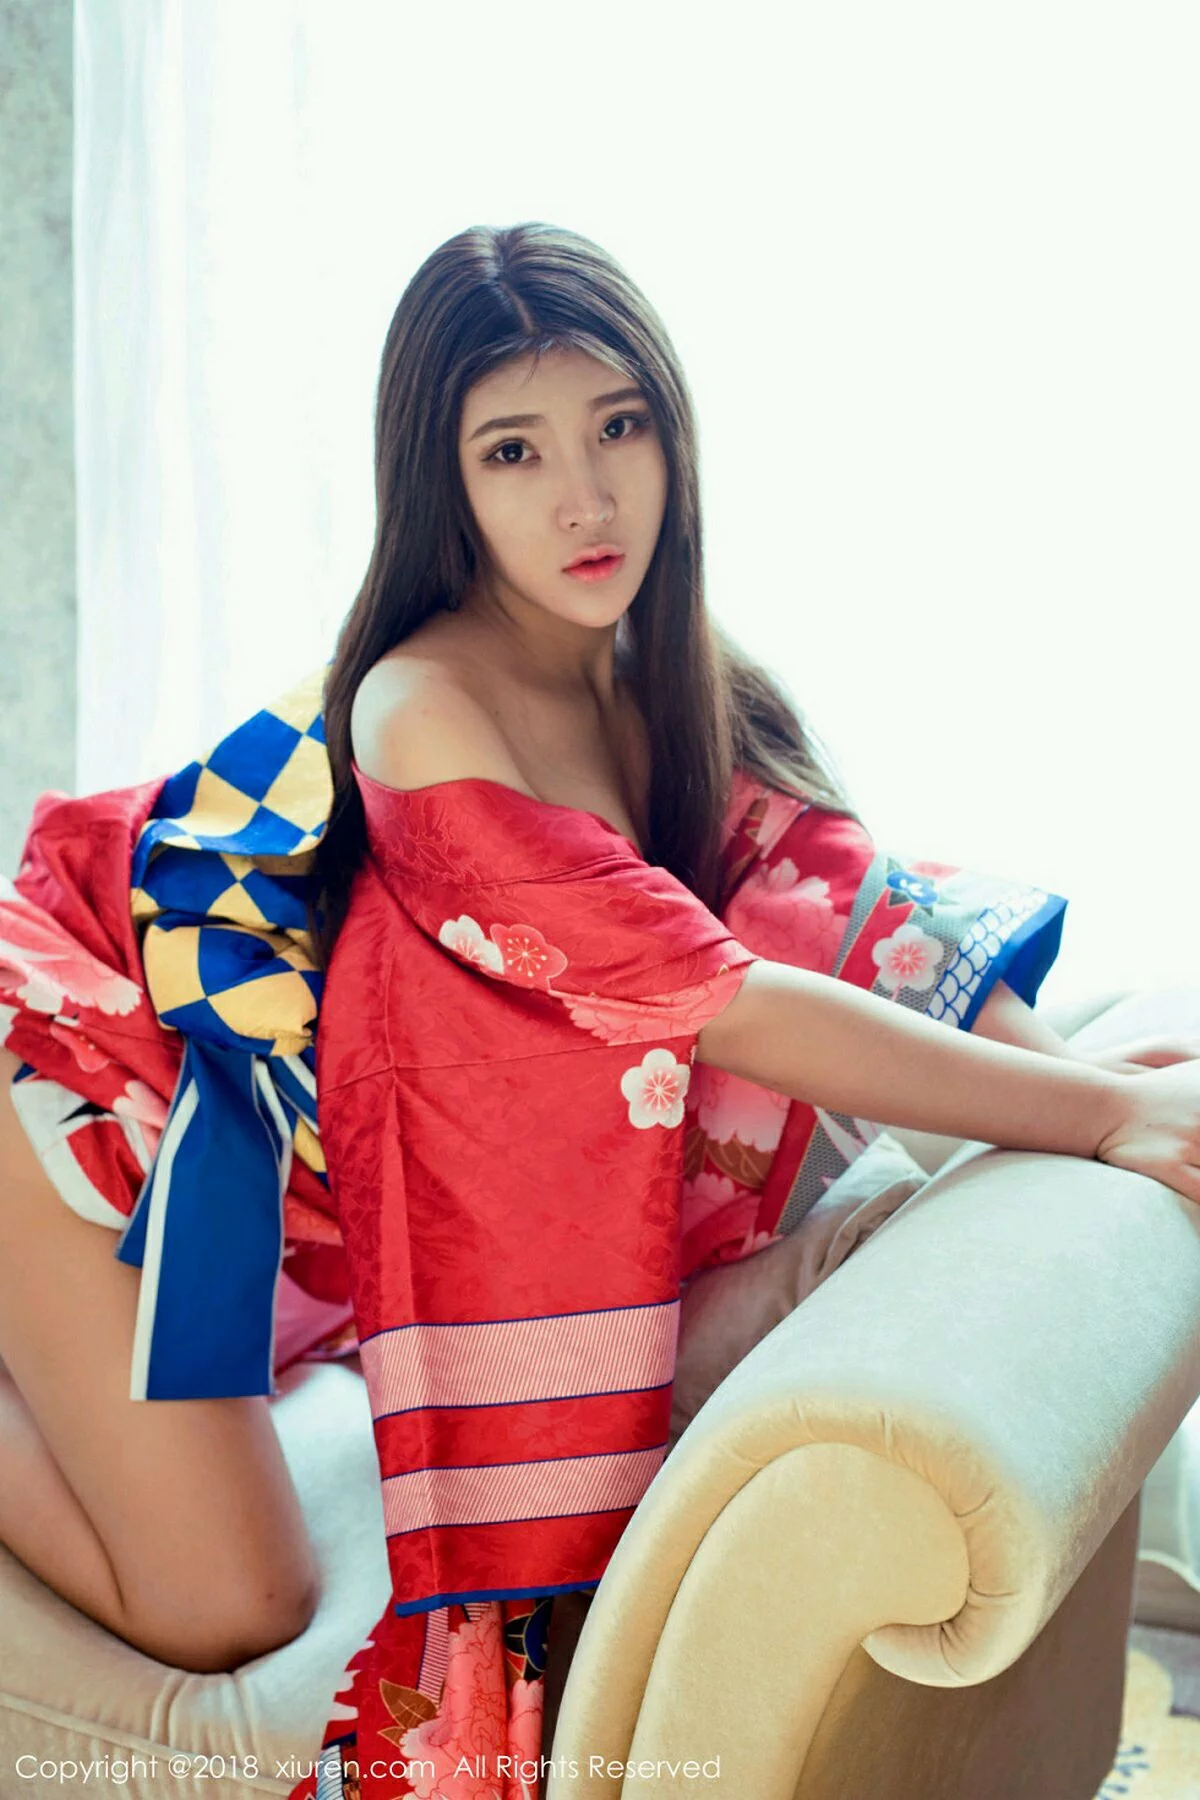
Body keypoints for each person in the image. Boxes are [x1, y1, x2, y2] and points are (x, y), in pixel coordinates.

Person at [1, 221, 1198, 1800]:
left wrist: (1088, 1095)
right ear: (441, 484)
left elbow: (853, 908)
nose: (585, 498)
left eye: (618, 426)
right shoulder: (426, 711)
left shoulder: (668, 675)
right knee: (232, 1603)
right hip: (77, 1054)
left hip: (237, 1130)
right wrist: (1105, 1114)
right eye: (515, 450)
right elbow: (717, 999)